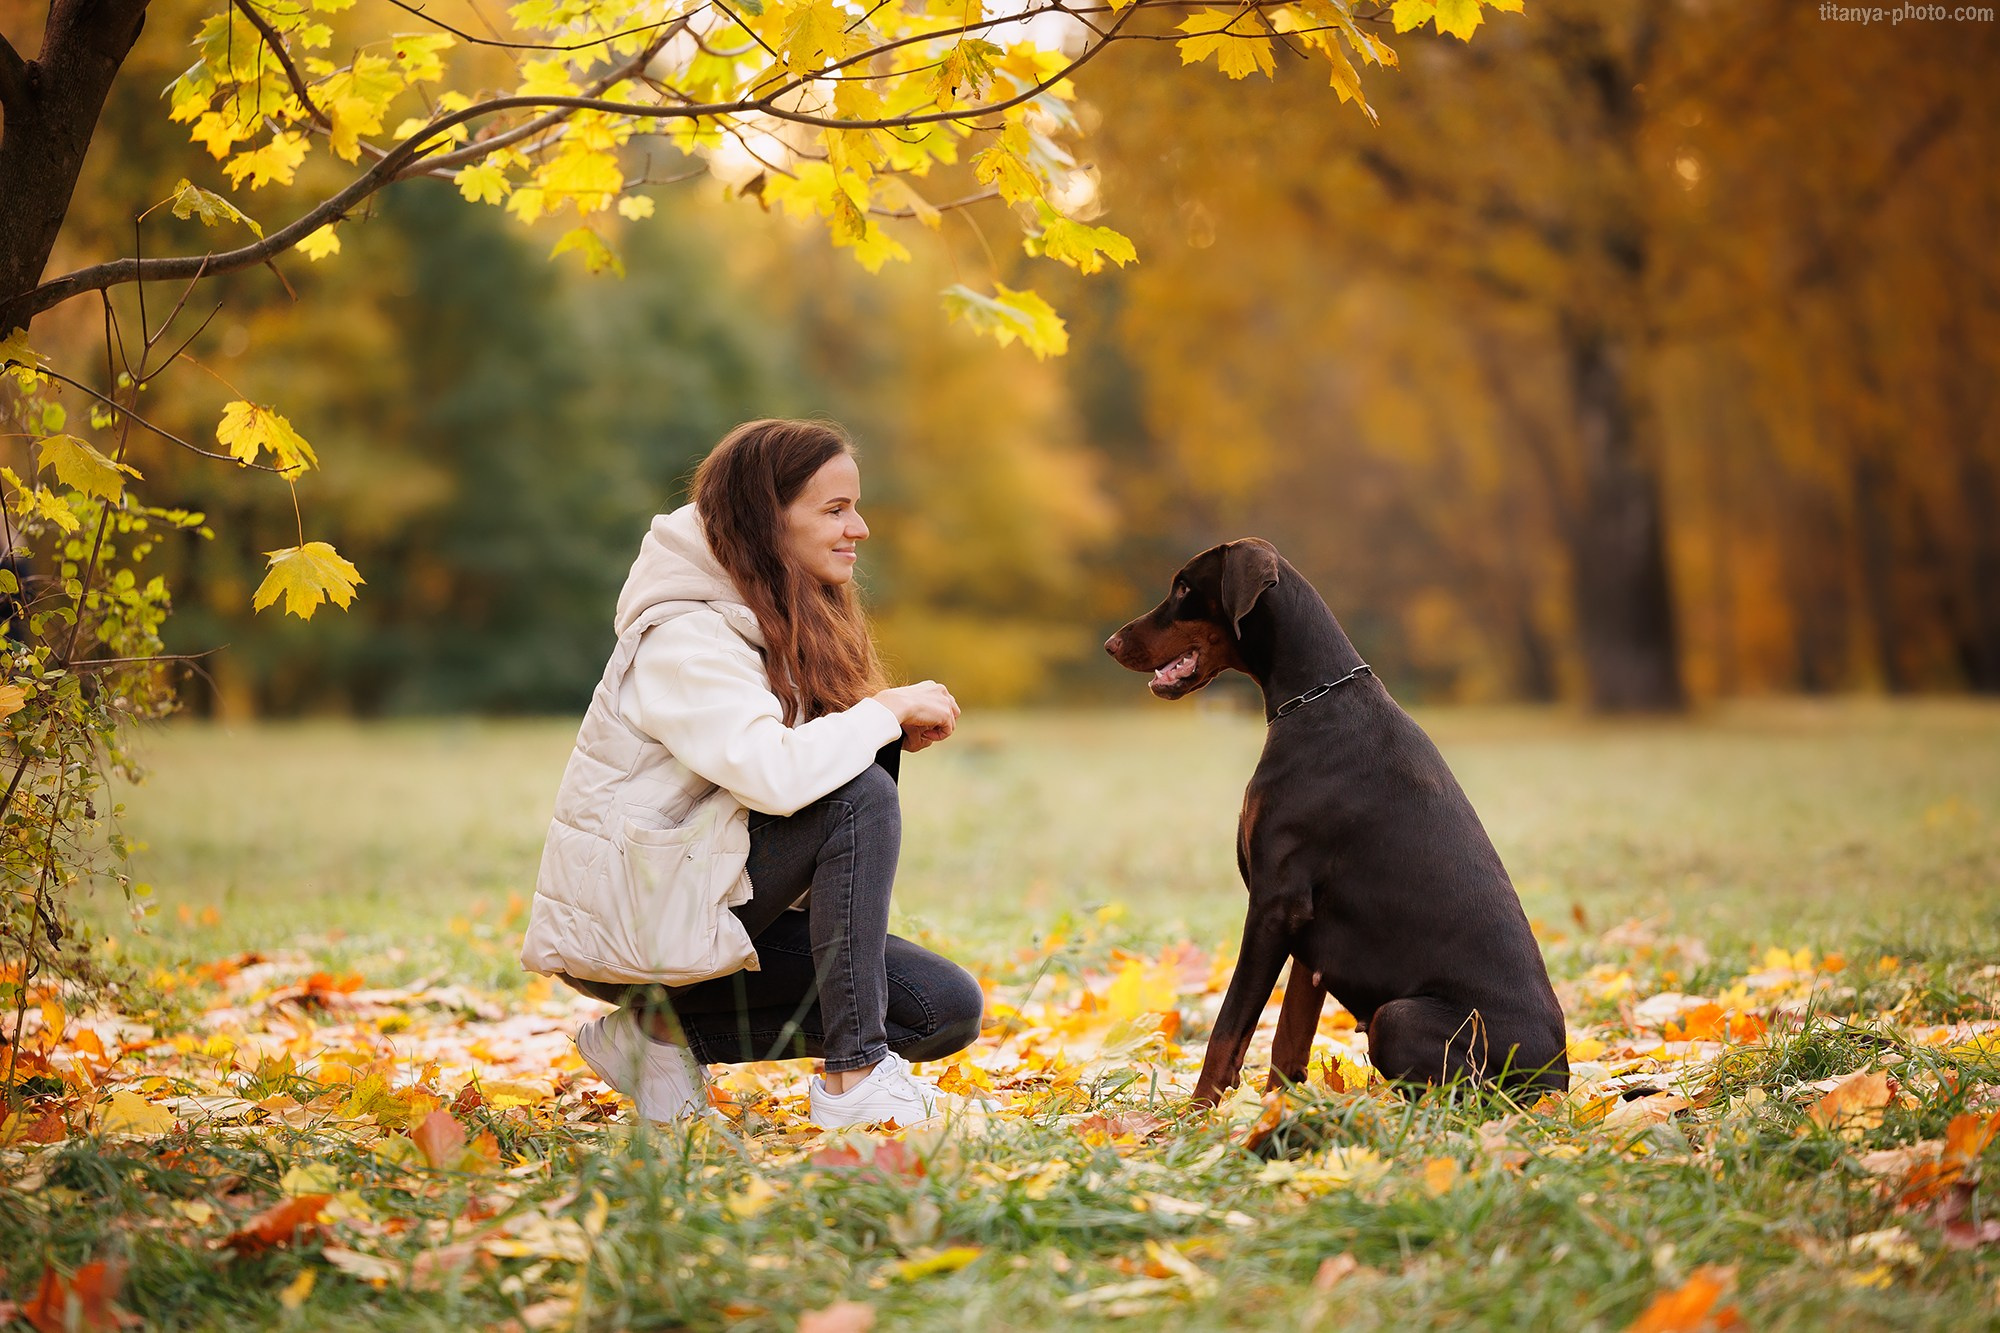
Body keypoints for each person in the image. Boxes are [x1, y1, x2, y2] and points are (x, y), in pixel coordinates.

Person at [519, 418, 984, 1127]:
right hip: (638, 919)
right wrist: (877, 715)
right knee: (859, 793)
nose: (858, 527)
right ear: (768, 521)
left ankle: (657, 1038)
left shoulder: (784, 613)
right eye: (834, 509)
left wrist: (875, 731)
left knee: (941, 1008)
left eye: (855, 506)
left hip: (715, 892)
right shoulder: (684, 635)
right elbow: (775, 777)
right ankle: (854, 1079)